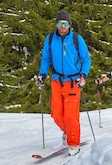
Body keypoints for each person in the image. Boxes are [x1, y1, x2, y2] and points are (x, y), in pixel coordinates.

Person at [36, 11, 91, 156]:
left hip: (73, 82)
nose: (62, 26)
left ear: (69, 25)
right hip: (56, 81)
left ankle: (73, 143)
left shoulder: (76, 39)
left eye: (65, 23)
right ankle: (67, 131)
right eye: (60, 23)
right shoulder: (50, 39)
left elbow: (86, 59)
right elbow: (45, 58)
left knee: (71, 115)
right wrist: (42, 74)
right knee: (56, 113)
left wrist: (83, 75)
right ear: (56, 24)